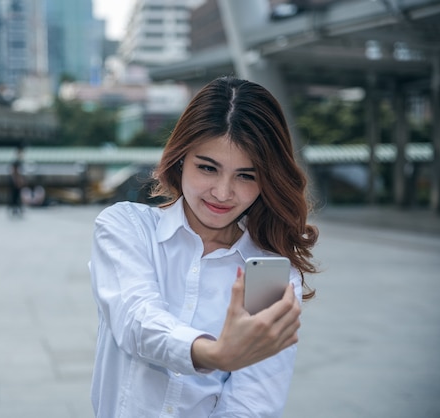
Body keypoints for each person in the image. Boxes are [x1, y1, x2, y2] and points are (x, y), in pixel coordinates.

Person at [89, 76, 319, 418]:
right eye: (208, 168)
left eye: (246, 175)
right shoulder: (127, 227)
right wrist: (214, 354)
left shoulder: (267, 272)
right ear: (180, 159)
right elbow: (136, 320)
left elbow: (252, 404)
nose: (223, 193)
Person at [8, 146, 26, 216]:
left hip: (16, 181)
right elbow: (14, 171)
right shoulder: (16, 162)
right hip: (15, 182)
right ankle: (15, 209)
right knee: (15, 195)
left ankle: (17, 209)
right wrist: (17, 181)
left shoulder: (18, 162)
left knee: (17, 195)